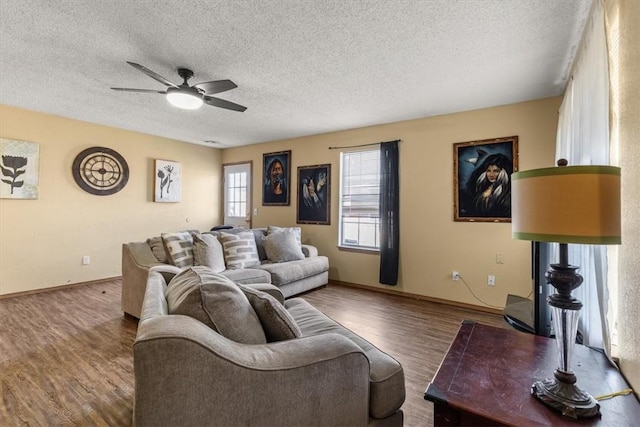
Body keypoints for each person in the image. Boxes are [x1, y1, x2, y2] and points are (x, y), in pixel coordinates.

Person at [464, 153, 512, 217]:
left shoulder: (508, 193)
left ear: (504, 172)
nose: (491, 175)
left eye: (496, 171)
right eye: (489, 171)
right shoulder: (479, 188)